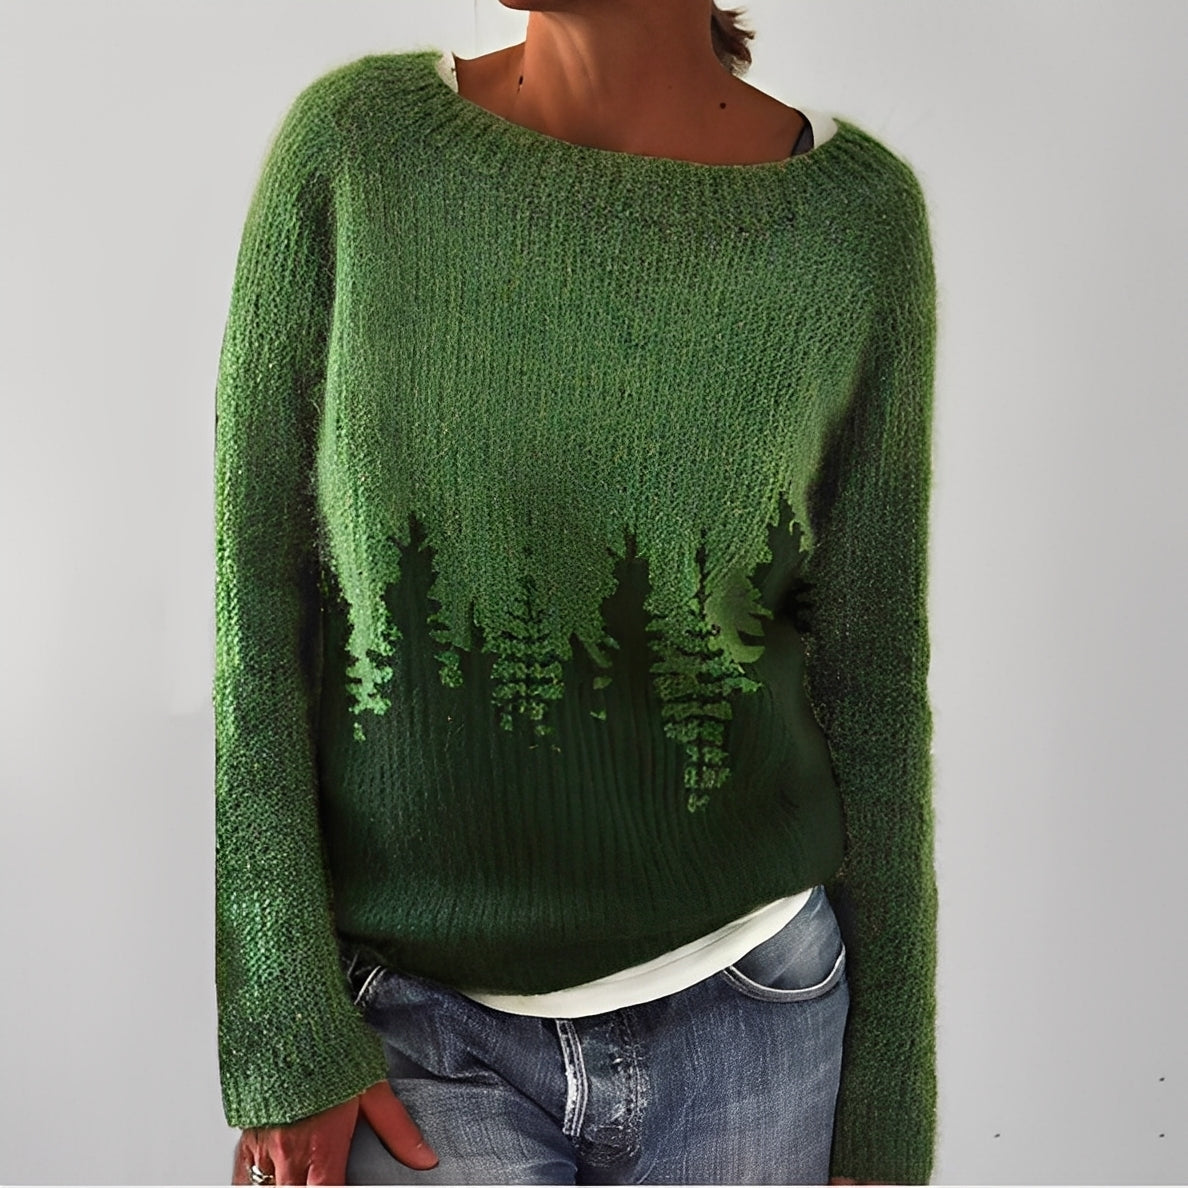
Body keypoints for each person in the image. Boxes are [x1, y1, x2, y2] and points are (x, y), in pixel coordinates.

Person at [213, 1, 939, 1184]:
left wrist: (888, 1107)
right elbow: (257, 610)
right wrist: (283, 1028)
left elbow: (873, 671)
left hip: (758, 1019)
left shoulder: (852, 225)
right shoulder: (357, 152)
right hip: (413, 1029)